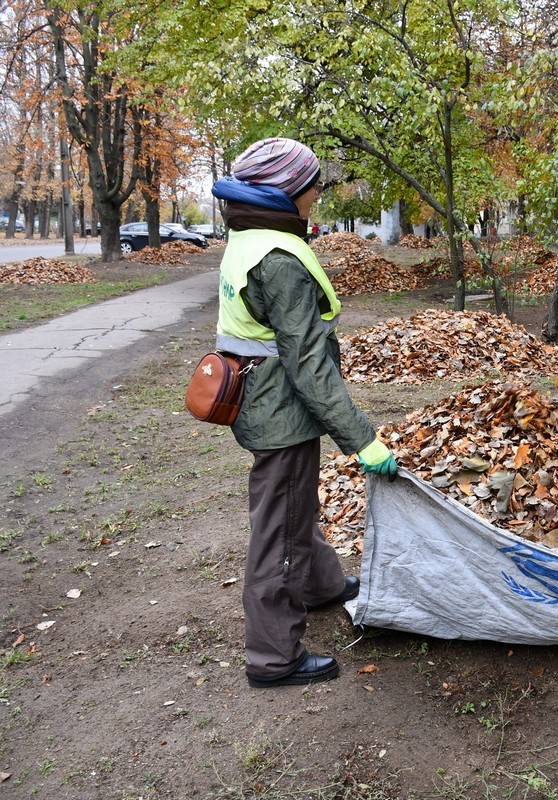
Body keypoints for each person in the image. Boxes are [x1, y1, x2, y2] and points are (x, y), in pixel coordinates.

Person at [210, 137, 398, 688]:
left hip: (261, 400)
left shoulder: (247, 237)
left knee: (295, 504)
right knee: (279, 531)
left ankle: (321, 586)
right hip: (279, 410)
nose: (318, 194)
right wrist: (362, 440)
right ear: (289, 191)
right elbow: (309, 366)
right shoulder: (278, 258)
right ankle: (273, 658)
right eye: (313, 184)